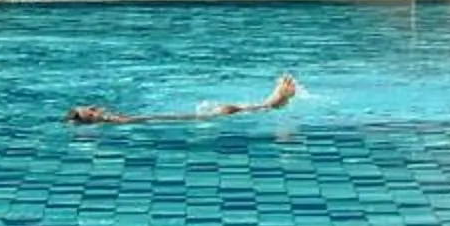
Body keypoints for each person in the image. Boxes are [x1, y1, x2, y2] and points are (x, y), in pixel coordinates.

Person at [66, 75, 299, 126]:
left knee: (229, 109)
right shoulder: (115, 121)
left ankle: (272, 103)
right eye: (91, 111)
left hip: (185, 117)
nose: (96, 108)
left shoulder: (115, 120)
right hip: (188, 118)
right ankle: (274, 102)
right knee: (228, 110)